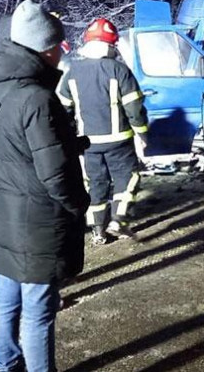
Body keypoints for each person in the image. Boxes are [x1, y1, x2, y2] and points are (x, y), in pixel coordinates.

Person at [0, 0, 90, 372]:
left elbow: (16, 147)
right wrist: (79, 204)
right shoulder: (38, 98)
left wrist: (67, 143)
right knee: (38, 311)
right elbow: (55, 174)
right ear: (44, 49)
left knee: (5, 299)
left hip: (3, 213)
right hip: (38, 223)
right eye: (58, 46)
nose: (61, 52)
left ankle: (6, 365)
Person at [58, 18, 148, 244]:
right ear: (110, 45)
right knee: (127, 178)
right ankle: (119, 219)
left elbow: (62, 111)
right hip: (120, 142)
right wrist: (142, 134)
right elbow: (134, 108)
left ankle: (98, 231)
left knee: (95, 185)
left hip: (88, 145)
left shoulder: (72, 72)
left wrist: (69, 141)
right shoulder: (119, 70)